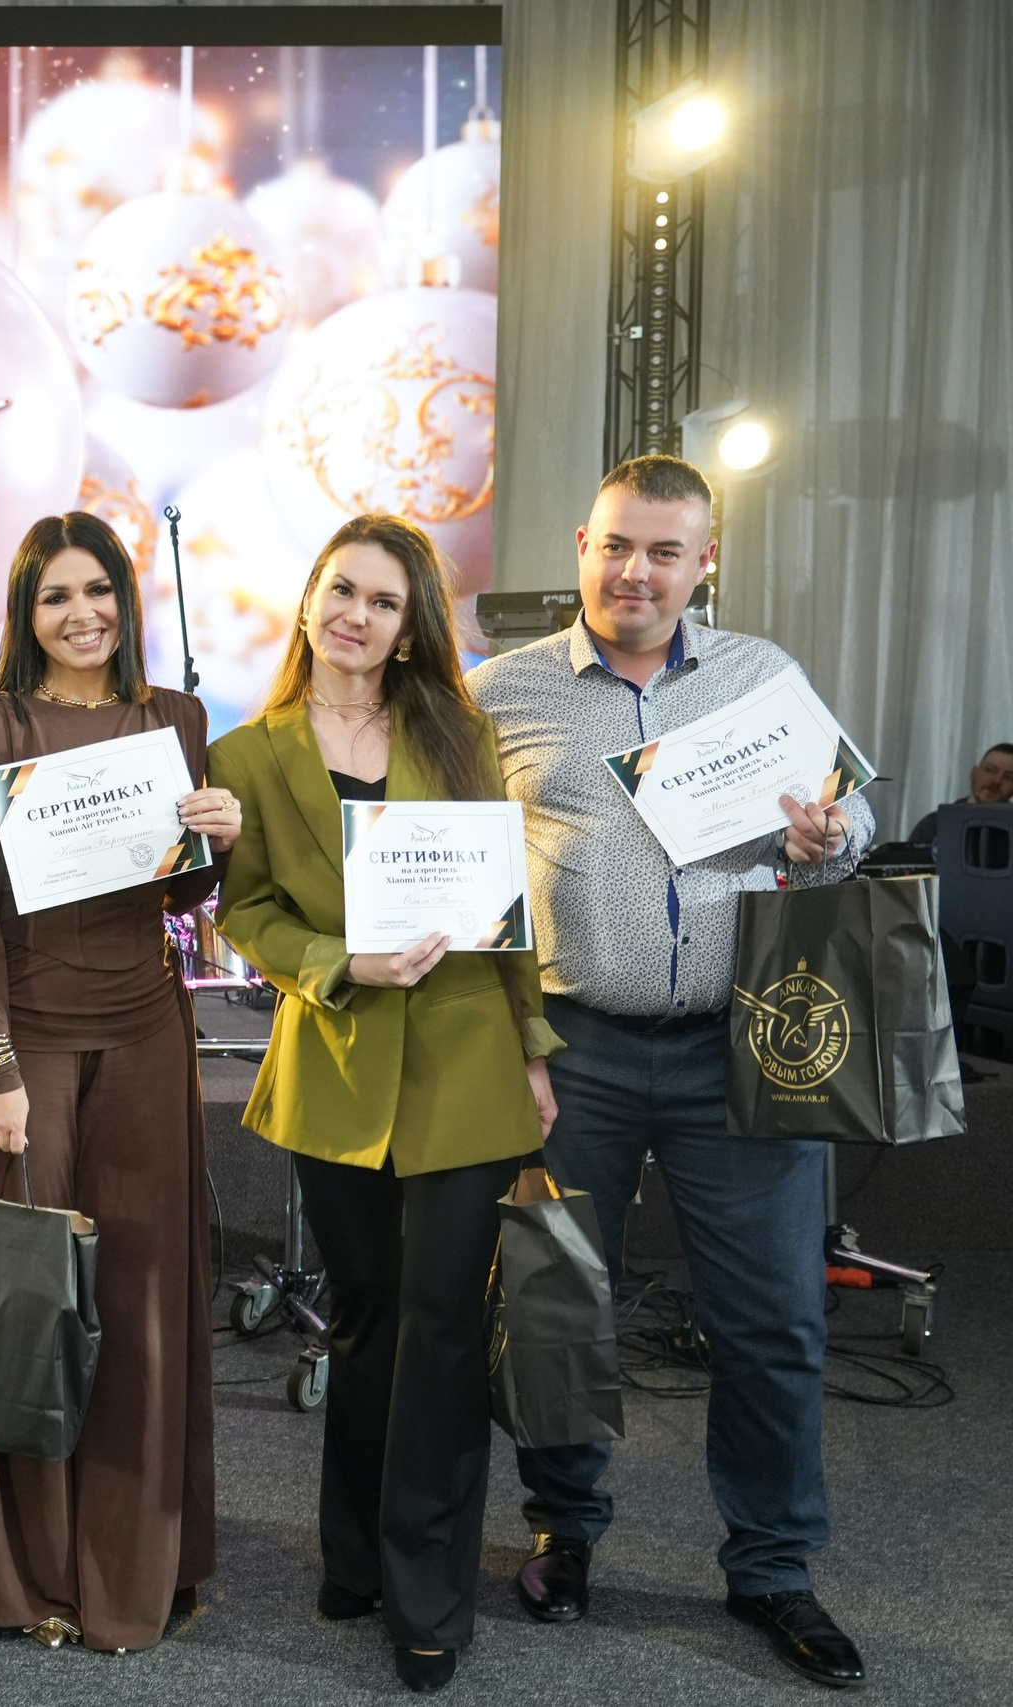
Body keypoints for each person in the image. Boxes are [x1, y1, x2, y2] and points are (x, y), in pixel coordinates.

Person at [469, 455, 871, 1689]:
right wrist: (510, 1048)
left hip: (737, 1050)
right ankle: (564, 1531)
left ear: (705, 561)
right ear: (578, 547)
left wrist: (827, 838)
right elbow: (465, 880)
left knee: (771, 1322)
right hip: (567, 1048)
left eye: (662, 552)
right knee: (553, 1307)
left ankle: (771, 1569)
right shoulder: (500, 694)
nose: (633, 572)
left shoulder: (764, 679)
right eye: (613, 547)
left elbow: (846, 833)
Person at [209, 515, 562, 1695]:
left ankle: (425, 1595)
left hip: (464, 1064)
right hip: (338, 1066)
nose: (357, 616)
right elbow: (244, 912)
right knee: (362, 1320)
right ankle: (352, 1555)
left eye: (384, 601)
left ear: (411, 627)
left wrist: (532, 1047)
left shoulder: (453, 730)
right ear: (310, 601)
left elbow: (504, 904)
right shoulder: (248, 753)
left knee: (442, 1327)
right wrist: (332, 963)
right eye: (341, 590)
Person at [0, 510, 242, 1653]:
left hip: (147, 1032)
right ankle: (27, 1572)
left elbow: (174, 894)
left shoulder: (176, 720)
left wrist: (219, 836)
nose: (82, 614)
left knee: (144, 1304)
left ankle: (134, 1560)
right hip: (23, 1043)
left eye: (98, 590)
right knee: (27, 1302)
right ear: (26, 614)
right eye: (57, 596)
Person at [909, 742, 1013, 847]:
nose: (996, 781)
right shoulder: (936, 824)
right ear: (974, 774)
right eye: (990, 770)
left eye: (1009, 777)